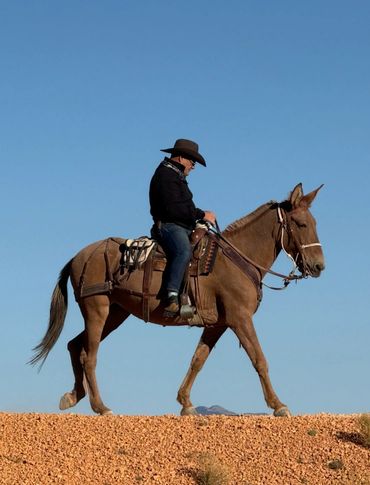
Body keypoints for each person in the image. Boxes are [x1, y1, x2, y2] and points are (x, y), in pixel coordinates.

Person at [149, 138, 216, 315]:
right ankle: (171, 296)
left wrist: (200, 218)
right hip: (169, 226)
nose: (193, 166)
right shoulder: (166, 176)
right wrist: (202, 215)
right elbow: (174, 209)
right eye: (192, 161)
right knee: (183, 251)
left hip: (181, 225)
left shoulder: (175, 175)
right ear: (180, 158)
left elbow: (185, 208)